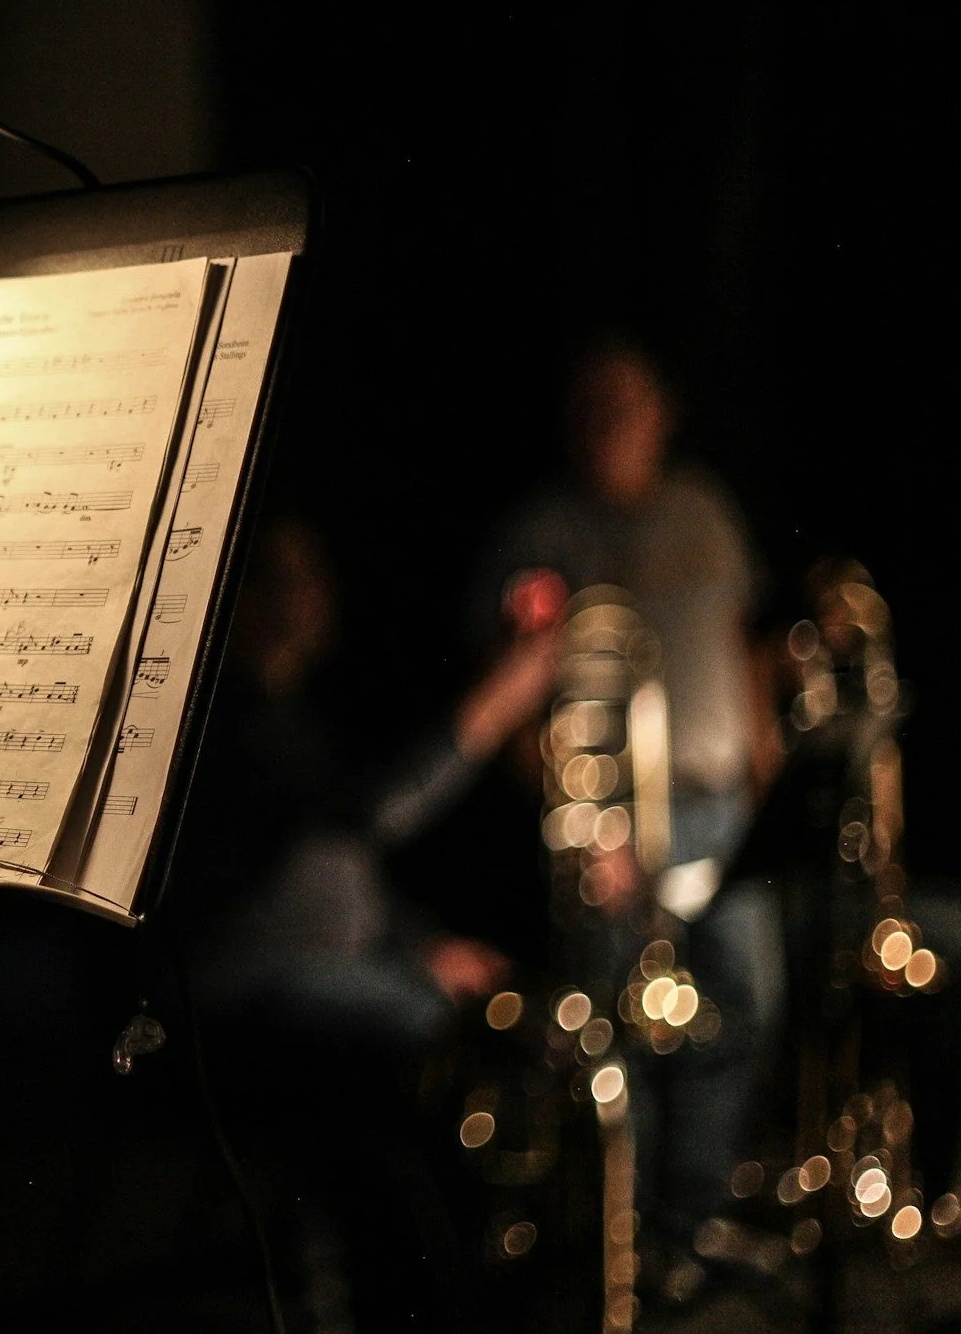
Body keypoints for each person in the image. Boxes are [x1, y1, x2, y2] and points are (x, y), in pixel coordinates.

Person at [477, 339, 783, 1276]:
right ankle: (632, 1238)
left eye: (632, 403)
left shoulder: (703, 507)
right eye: (595, 405)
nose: (616, 422)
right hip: (613, 829)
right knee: (626, 1026)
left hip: (722, 808)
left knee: (746, 1004)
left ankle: (691, 1221)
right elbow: (514, 710)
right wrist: (581, 824)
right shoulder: (541, 530)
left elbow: (739, 643)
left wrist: (764, 768)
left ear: (666, 413)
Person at [186, 515, 561, 1060]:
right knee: (438, 1035)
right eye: (286, 576)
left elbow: (340, 868)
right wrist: (497, 703)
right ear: (238, 594)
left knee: (500, 1006)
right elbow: (370, 812)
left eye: (311, 574)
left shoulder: (295, 715)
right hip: (249, 978)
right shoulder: (226, 720)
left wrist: (423, 948)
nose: (314, 592)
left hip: (325, 964)